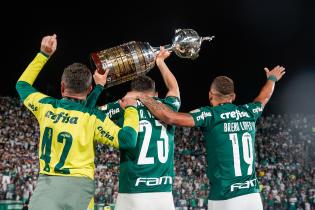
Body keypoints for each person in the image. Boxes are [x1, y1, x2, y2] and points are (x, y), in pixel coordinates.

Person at [131, 66, 285, 210]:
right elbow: (263, 98)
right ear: (233, 97)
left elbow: (170, 117)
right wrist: (271, 79)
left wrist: (142, 97)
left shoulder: (211, 115)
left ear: (210, 95)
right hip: (252, 197)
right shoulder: (249, 112)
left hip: (224, 198)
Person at [15, 34, 139, 210]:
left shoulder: (45, 107)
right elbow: (128, 140)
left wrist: (43, 54)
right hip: (80, 187)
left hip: (47, 186)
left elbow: (22, 85)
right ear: (88, 89)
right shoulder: (92, 119)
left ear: (62, 87)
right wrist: (131, 109)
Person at [87, 47, 180, 210]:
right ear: (156, 94)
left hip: (130, 192)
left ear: (130, 92)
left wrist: (99, 86)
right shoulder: (167, 107)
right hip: (163, 194)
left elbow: (86, 114)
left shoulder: (123, 105)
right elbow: (174, 90)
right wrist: (160, 62)